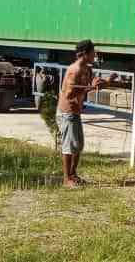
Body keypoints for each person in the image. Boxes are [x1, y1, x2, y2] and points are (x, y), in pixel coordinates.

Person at [57, 39, 105, 188]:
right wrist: (90, 87)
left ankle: (73, 175)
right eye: (93, 52)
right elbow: (69, 93)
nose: (95, 55)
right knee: (69, 146)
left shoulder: (87, 69)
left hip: (76, 112)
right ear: (84, 54)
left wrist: (105, 81)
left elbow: (92, 81)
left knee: (78, 145)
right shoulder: (75, 70)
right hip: (67, 112)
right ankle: (67, 179)